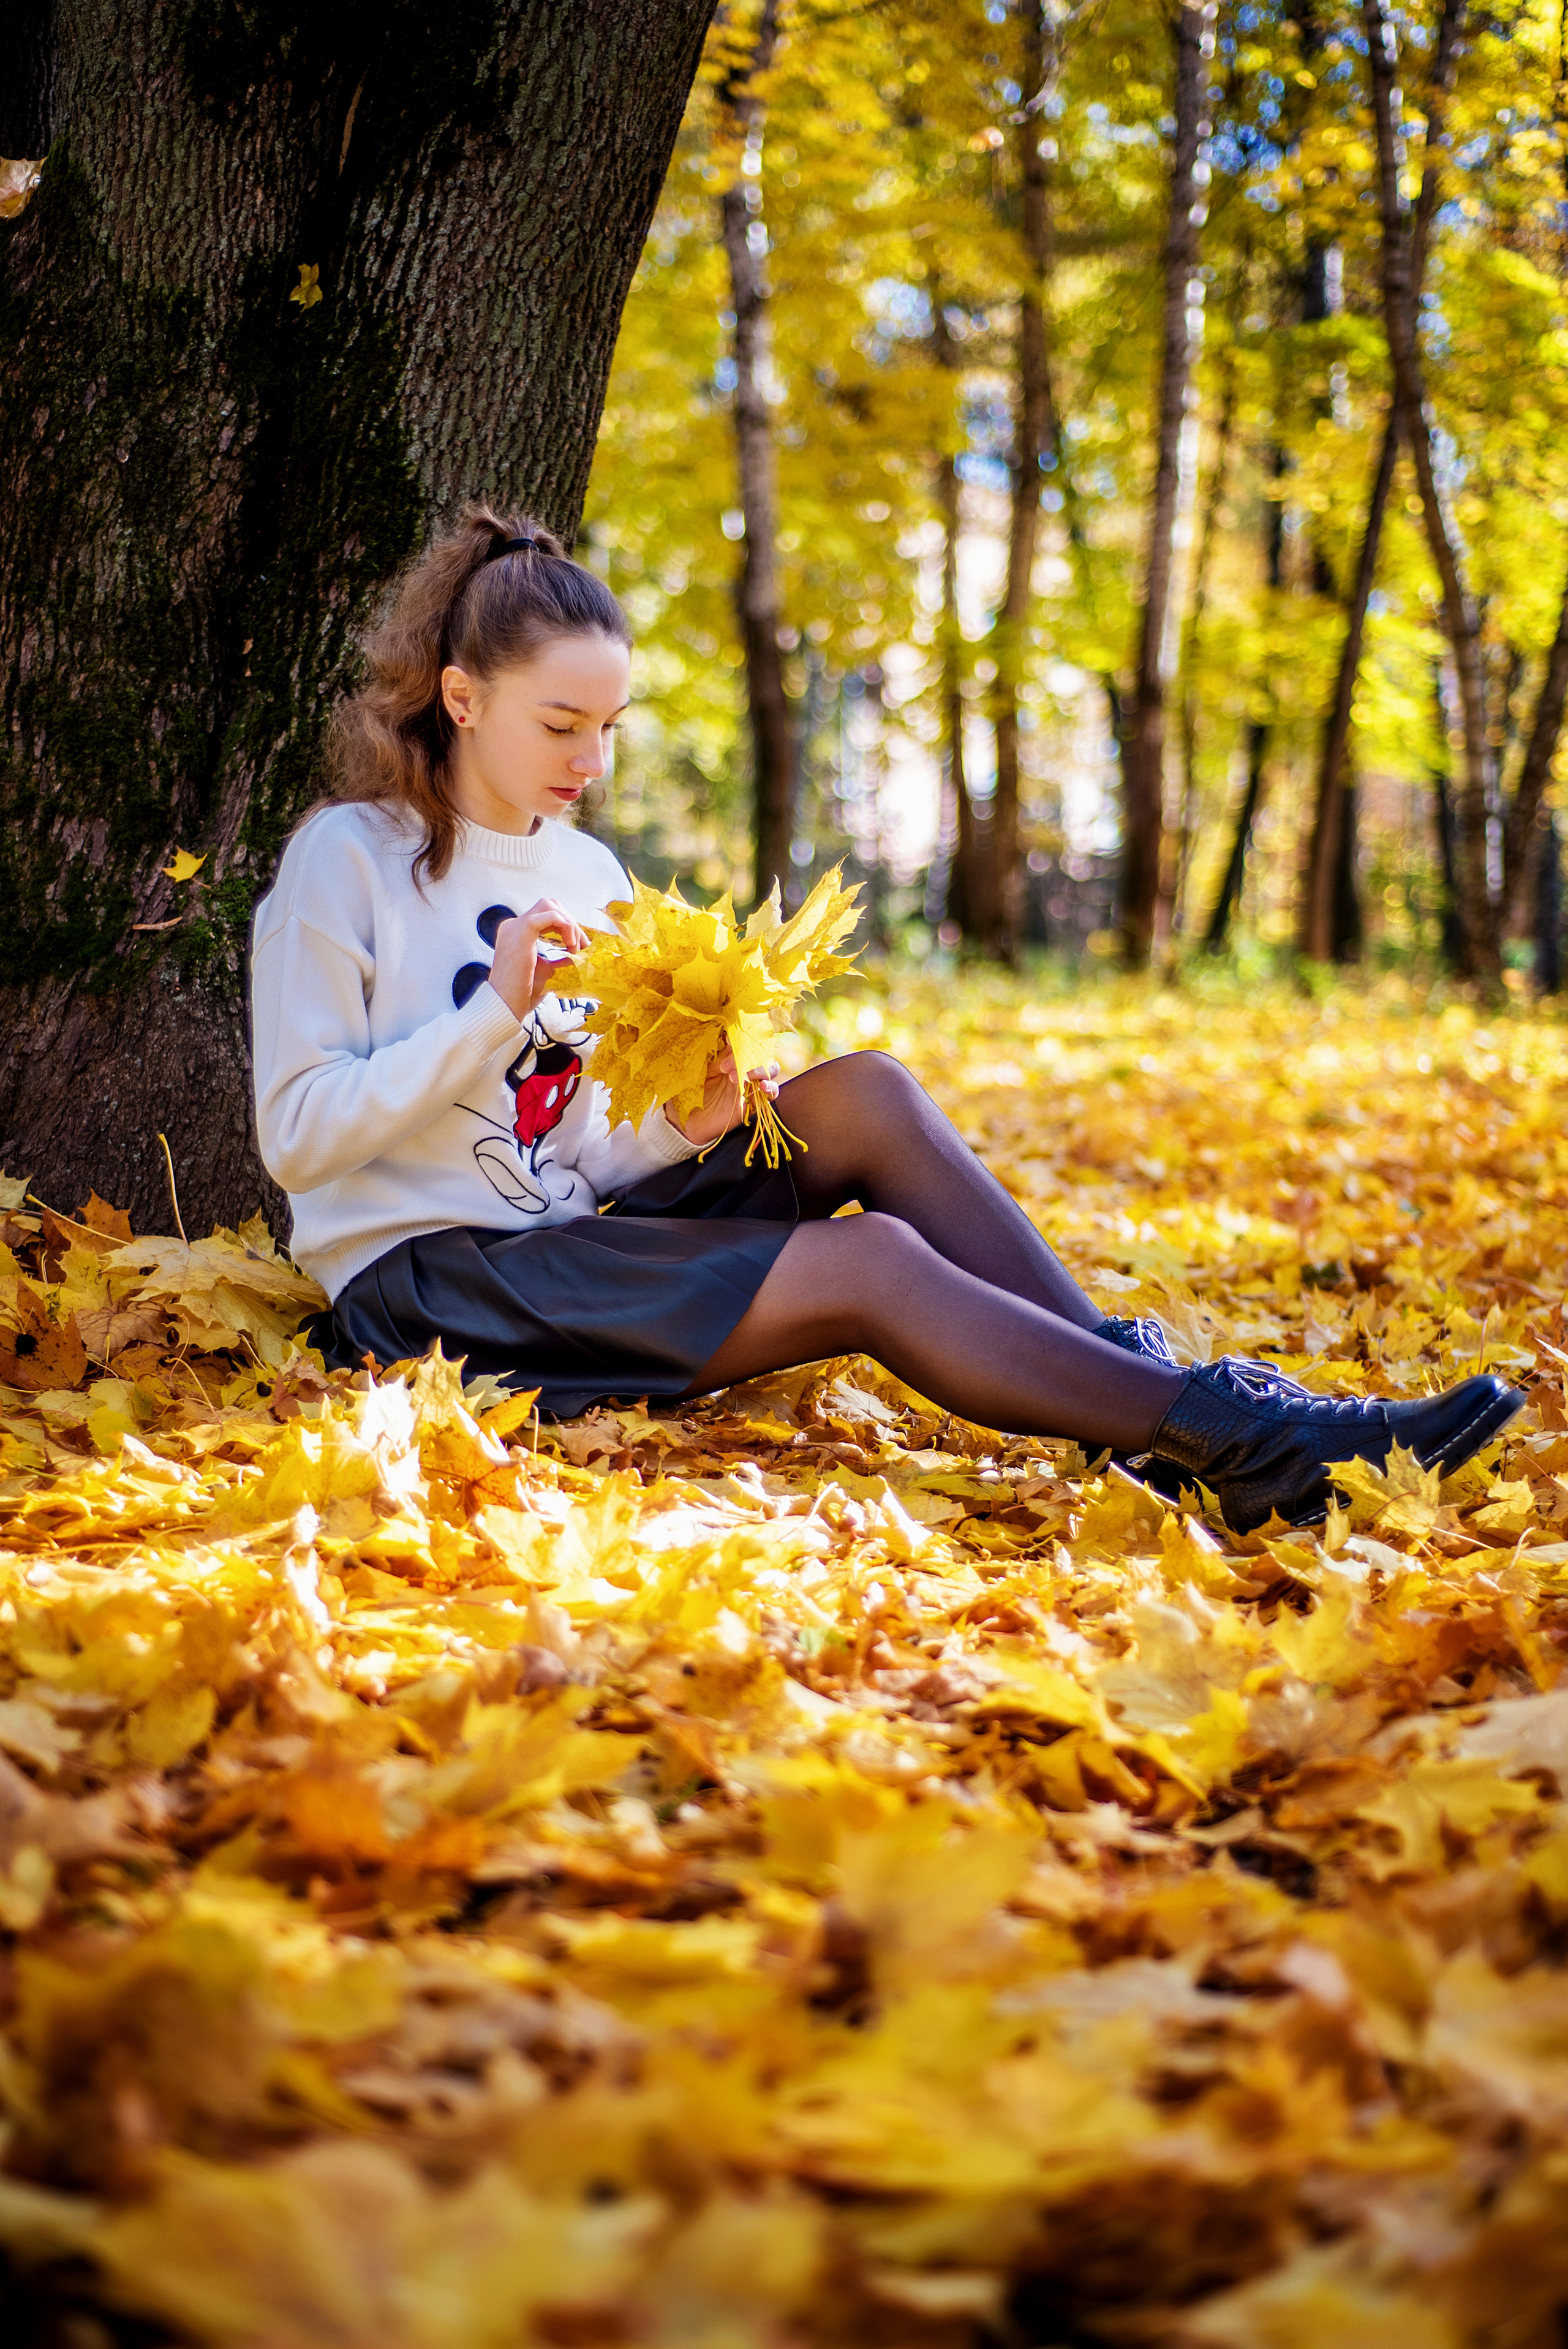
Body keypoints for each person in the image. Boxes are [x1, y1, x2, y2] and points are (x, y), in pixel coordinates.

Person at [250, 506, 1520, 1537]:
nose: (591, 761)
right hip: (428, 1288)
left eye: (611, 730)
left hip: (566, 1238)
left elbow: (576, 1154)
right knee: (872, 1268)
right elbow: (301, 1143)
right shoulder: (351, 858)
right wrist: (493, 1016)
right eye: (560, 725)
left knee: (864, 1094)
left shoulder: (585, 875)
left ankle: (1185, 1412)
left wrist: (685, 1131)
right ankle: (1235, 1441)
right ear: (463, 699)